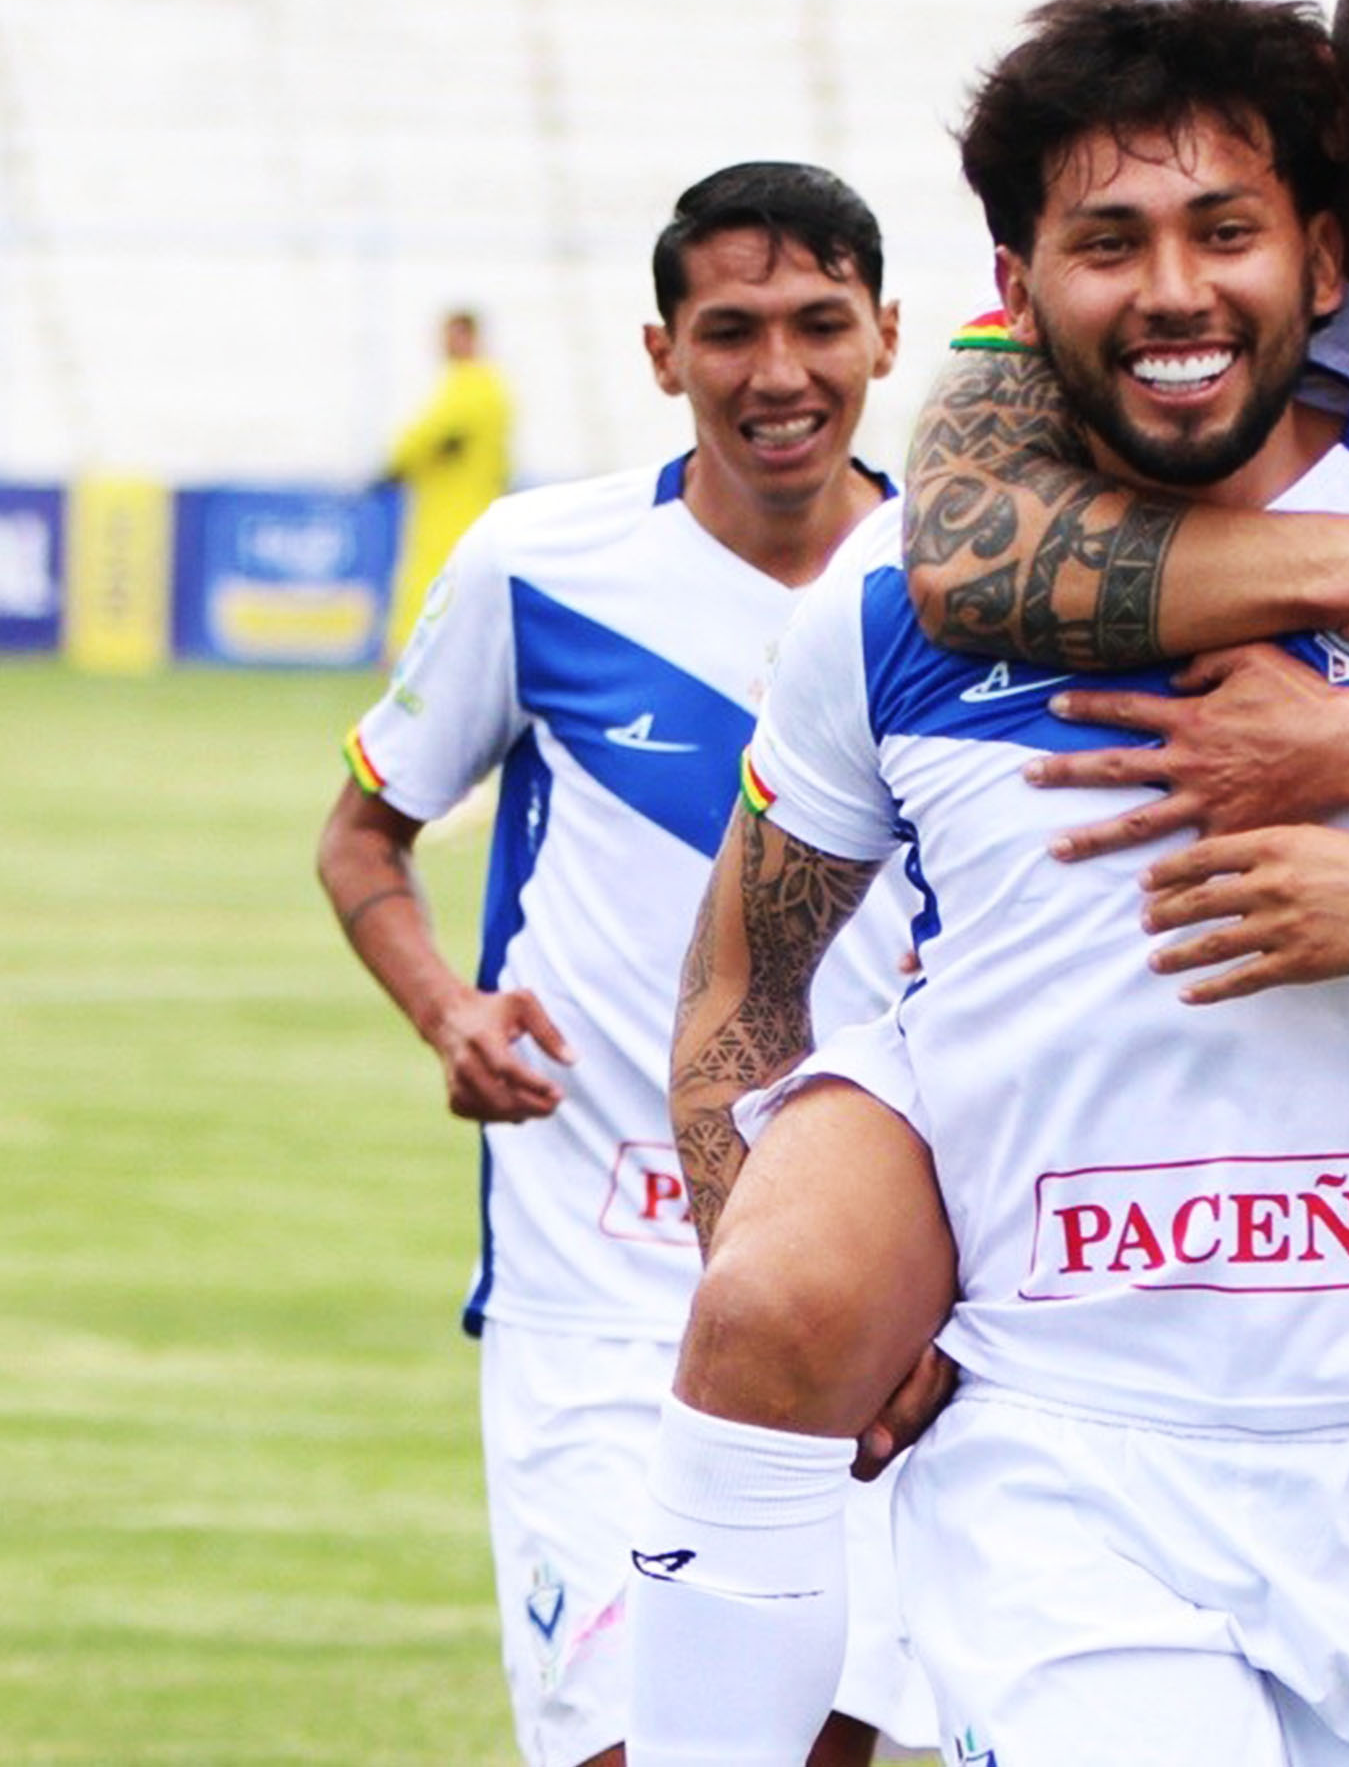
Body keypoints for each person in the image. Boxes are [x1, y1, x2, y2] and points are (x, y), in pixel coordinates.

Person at [643, 0, 1349, 1766]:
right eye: (1107, 241)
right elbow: (738, 985)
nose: (1171, 291)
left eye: (1222, 230)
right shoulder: (893, 594)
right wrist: (758, 1236)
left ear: (1322, 261)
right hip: (1062, 1461)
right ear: (1015, 294)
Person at [315, 165, 930, 1767]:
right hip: (600, 1293)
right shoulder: (539, 569)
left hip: (869, 1289)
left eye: (817, 324)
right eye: (731, 330)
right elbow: (362, 836)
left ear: (886, 334)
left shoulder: (959, 592)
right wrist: (447, 1008)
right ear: (664, 353)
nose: (777, 371)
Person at [381, 307, 513, 660]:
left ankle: (412, 660)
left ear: (470, 338)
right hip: (464, 509)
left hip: (455, 514)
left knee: (436, 591)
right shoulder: (483, 386)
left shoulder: (471, 385)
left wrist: (394, 465)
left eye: (455, 335)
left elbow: (429, 435)